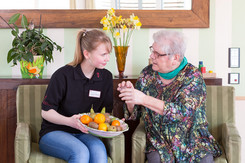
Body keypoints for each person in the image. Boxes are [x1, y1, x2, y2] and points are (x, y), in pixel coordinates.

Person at [117, 30, 222, 163]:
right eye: (152, 50)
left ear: (175, 58)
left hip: (192, 141)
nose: (151, 56)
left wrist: (144, 98)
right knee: (155, 158)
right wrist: (130, 97)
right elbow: (135, 114)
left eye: (157, 54)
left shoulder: (192, 76)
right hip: (159, 141)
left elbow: (182, 113)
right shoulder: (147, 74)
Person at [39, 29, 113, 163]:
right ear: (87, 54)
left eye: (108, 54)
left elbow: (105, 112)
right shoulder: (62, 75)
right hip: (54, 132)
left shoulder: (106, 77)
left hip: (84, 133)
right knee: (80, 152)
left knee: (99, 152)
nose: (107, 58)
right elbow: (46, 112)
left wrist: (112, 121)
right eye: (103, 54)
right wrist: (70, 121)